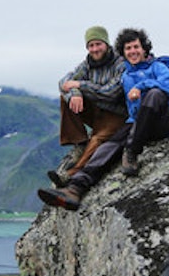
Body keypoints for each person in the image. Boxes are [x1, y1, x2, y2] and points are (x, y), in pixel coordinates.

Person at [38, 27, 169, 210]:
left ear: (144, 48)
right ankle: (74, 189)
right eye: (128, 49)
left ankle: (131, 151)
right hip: (136, 125)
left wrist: (143, 85)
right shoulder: (126, 74)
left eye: (136, 47)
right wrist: (75, 91)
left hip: (160, 123)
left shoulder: (157, 67)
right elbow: (66, 82)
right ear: (123, 52)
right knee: (108, 146)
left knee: (154, 94)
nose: (133, 51)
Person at [50, 25, 129, 184]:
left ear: (106, 44)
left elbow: (111, 93)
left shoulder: (120, 63)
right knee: (66, 98)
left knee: (97, 139)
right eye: (90, 45)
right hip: (97, 112)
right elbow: (64, 83)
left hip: (116, 115)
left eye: (98, 44)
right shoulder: (87, 64)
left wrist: (80, 85)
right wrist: (75, 94)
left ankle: (72, 173)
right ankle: (80, 141)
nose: (94, 49)